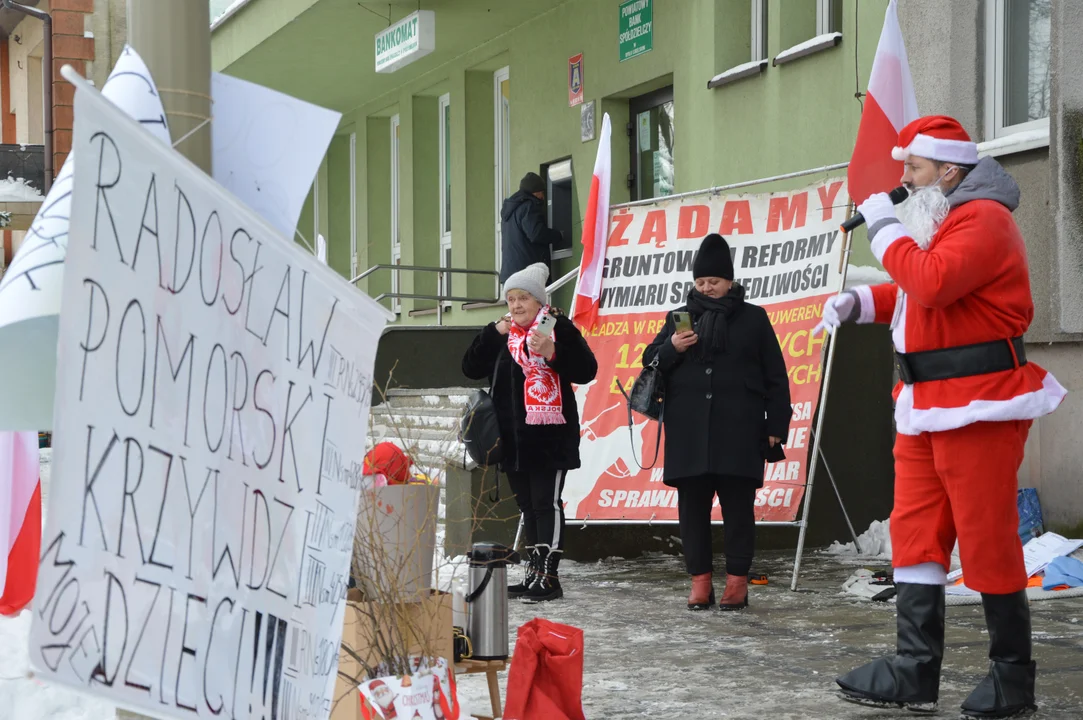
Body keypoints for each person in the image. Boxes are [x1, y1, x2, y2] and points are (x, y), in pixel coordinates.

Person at [819, 115, 1066, 717]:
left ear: (948, 172)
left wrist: (880, 224)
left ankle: (1012, 677)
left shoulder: (986, 220)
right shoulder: (942, 220)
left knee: (985, 535)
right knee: (916, 532)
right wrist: (862, 302)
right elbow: (912, 296)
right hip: (925, 405)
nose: (902, 180)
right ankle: (913, 667)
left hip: (978, 404)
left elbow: (931, 282)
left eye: (913, 169)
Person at [643, 234, 791, 612]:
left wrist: (776, 423)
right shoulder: (679, 317)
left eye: (713, 281)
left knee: (738, 508)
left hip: (739, 429)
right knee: (692, 510)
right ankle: (700, 583)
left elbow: (776, 375)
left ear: (730, 281)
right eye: (700, 282)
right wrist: (671, 348)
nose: (706, 288)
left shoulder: (754, 318)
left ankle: (738, 583)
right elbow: (650, 361)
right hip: (689, 430)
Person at [461, 262, 598, 602]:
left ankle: (549, 577)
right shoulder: (503, 335)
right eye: (511, 299)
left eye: (523, 298)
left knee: (545, 504)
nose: (517, 305)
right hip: (511, 440)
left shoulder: (557, 328)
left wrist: (552, 353)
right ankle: (533, 573)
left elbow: (587, 369)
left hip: (549, 438)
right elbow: (470, 367)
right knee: (527, 506)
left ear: (539, 301)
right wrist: (493, 332)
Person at [499, 172, 563, 283]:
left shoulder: (510, 210)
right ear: (535, 192)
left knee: (515, 301)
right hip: (528, 274)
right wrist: (558, 235)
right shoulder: (529, 206)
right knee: (534, 300)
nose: (543, 196)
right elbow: (536, 233)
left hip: (510, 275)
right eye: (541, 192)